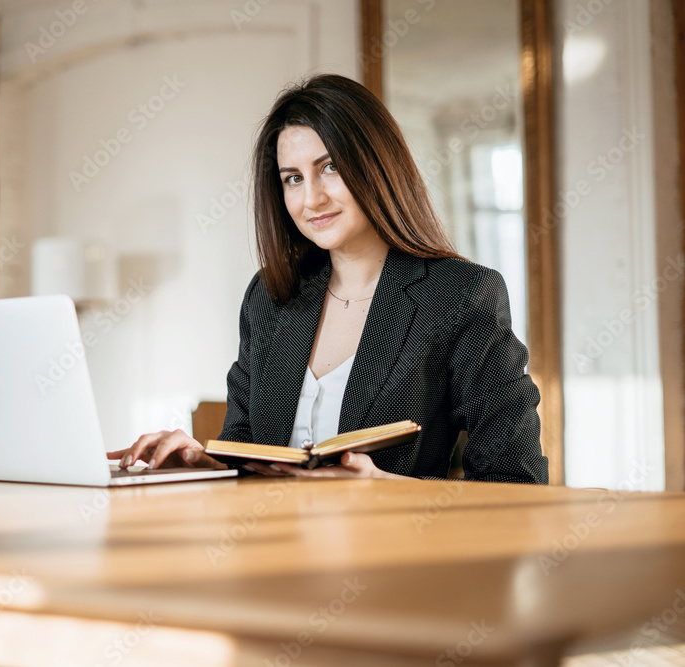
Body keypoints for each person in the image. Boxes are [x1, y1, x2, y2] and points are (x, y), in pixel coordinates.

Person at [108, 73, 549, 484]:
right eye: (293, 179)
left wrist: (386, 489)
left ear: (377, 164)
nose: (311, 198)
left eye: (330, 168)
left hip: (396, 559)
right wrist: (203, 464)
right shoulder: (270, 296)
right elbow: (242, 451)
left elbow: (517, 482)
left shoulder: (460, 295)